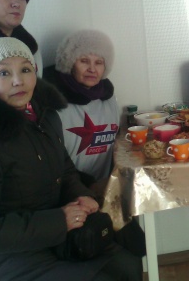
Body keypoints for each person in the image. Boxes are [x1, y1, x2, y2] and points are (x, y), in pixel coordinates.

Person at [0, 37, 142, 281]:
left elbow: (65, 171)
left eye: (25, 69)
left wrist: (81, 196)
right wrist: (59, 221)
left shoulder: (45, 116)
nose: (18, 81)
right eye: (3, 73)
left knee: (128, 264)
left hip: (53, 236)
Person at [42, 29, 146, 258]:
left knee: (138, 247)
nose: (92, 68)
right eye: (84, 61)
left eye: (99, 62)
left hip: (106, 191)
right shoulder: (51, 104)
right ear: (69, 62)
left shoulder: (108, 98)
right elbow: (52, 163)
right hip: (71, 196)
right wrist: (87, 187)